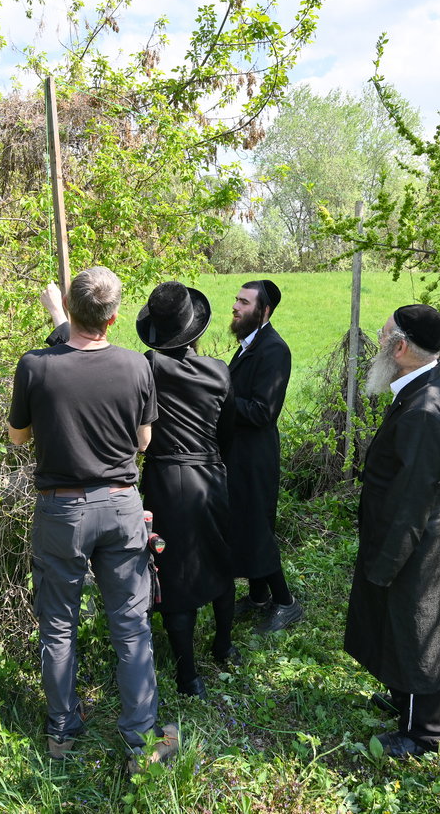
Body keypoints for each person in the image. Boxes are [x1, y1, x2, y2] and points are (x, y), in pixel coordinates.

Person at [8, 267, 179, 768]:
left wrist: (57, 322)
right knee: (130, 625)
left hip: (61, 510)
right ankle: (141, 740)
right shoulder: (135, 366)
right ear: (115, 317)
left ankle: (62, 731)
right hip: (121, 505)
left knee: (58, 626)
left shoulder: (35, 366)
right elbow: (144, 442)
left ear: (69, 307)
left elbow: (18, 438)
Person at [344, 305, 440, 757]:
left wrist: (387, 559)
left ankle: (425, 731)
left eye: (383, 338)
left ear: (400, 347)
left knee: (416, 621)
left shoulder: (423, 411)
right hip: (428, 525)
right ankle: (404, 697)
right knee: (398, 617)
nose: (378, 344)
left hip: (416, 534)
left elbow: (411, 497)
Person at [134, 282, 241, 698]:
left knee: (174, 573)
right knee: (220, 557)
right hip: (211, 477)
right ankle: (224, 645)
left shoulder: (149, 367)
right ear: (195, 329)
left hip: (166, 480)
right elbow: (228, 430)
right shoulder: (219, 371)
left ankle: (189, 677)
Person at [216, 279, 302, 634]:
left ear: (264, 311)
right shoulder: (249, 344)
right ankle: (258, 596)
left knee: (256, 529)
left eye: (245, 302)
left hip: (255, 457)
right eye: (237, 299)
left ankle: (286, 602)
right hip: (240, 453)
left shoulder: (274, 350)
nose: (236, 306)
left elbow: (263, 411)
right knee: (245, 523)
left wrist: (217, 398)